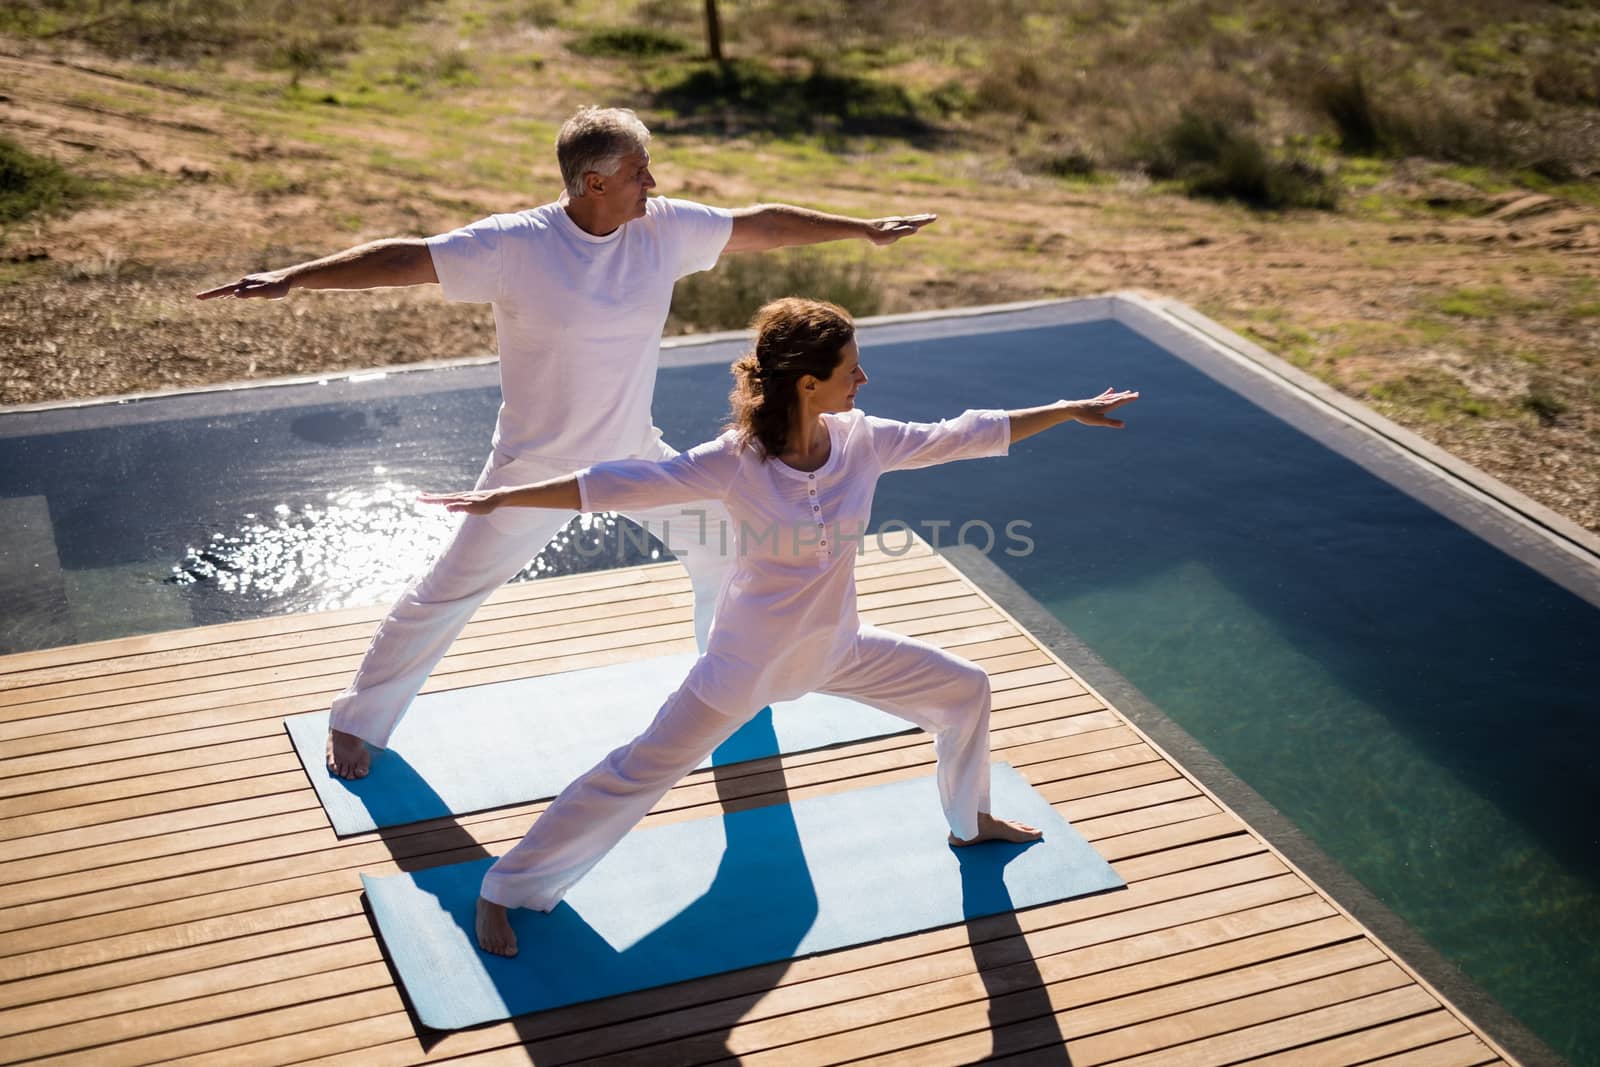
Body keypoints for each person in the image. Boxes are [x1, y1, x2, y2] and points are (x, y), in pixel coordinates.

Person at [197, 106, 938, 780]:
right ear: (593, 181)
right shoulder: (514, 244)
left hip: (635, 453)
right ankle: (358, 718)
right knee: (450, 591)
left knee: (721, 548)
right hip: (534, 465)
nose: (653, 182)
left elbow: (762, 224)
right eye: (638, 172)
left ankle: (729, 682)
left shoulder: (664, 228)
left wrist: (860, 229)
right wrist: (294, 279)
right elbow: (404, 259)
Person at [421, 296, 1140, 956]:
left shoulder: (863, 440)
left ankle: (970, 819)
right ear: (807, 383)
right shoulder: (737, 462)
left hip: (837, 647)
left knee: (965, 690)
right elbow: (613, 483)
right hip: (745, 666)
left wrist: (1067, 407)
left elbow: (964, 433)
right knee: (637, 771)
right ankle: (503, 887)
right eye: (851, 369)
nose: (864, 379)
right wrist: (504, 496)